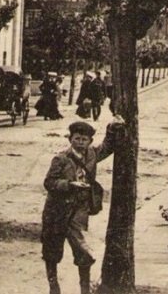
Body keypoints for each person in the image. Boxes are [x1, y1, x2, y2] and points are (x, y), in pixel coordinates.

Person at [41, 118, 124, 294]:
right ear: (70, 139)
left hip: (79, 210)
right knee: (52, 249)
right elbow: (49, 182)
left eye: (84, 139)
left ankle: (84, 289)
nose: (80, 142)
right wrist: (70, 185)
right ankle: (53, 285)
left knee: (82, 250)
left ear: (90, 141)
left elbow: (107, 147)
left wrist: (112, 127)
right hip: (56, 210)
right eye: (77, 138)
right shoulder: (60, 159)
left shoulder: (92, 154)